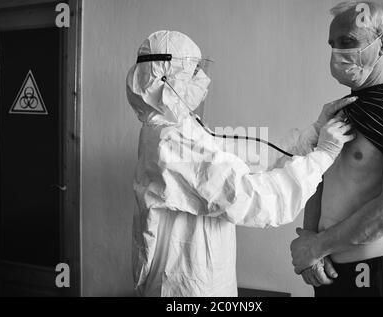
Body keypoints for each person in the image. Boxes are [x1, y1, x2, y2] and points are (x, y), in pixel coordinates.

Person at [127, 30, 355, 297]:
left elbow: (249, 165)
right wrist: (323, 157)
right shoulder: (170, 142)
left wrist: (314, 133)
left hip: (203, 279)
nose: (202, 79)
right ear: (164, 77)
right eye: (193, 71)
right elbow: (249, 196)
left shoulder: (183, 129)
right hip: (183, 288)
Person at [290, 1, 383, 297]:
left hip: (376, 277)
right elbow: (318, 180)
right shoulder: (340, 112)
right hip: (327, 272)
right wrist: (309, 239)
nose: (336, 53)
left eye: (347, 42)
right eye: (332, 44)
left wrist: (314, 247)